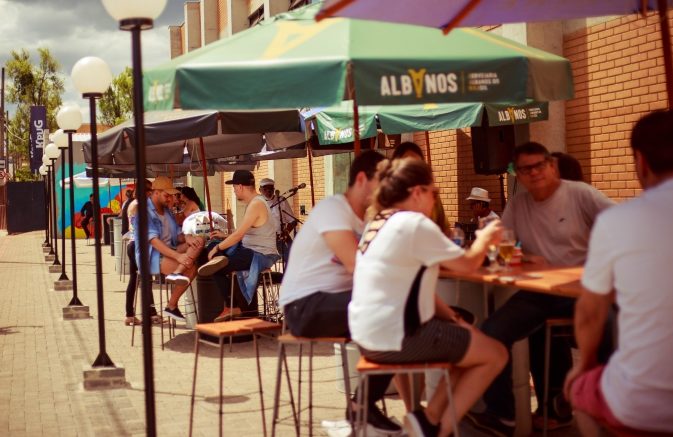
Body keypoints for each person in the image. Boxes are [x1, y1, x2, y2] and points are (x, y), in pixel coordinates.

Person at [349, 157, 507, 437]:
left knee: (468, 340)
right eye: (434, 192)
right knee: (495, 354)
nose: (435, 199)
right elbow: (469, 263)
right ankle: (435, 428)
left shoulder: (377, 222)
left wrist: (455, 318)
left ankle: (428, 419)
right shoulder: (413, 224)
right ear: (417, 192)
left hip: (366, 336)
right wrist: (485, 239)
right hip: (401, 337)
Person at [467, 142, 615, 437]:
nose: (534, 173)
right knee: (491, 331)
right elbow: (502, 248)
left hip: (585, 291)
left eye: (539, 165)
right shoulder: (518, 204)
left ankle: (611, 410)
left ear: (551, 166)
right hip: (541, 293)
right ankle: (503, 415)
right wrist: (524, 255)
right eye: (525, 168)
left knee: (614, 330)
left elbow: (622, 225)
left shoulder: (579, 194)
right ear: (518, 175)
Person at [563, 111, 673, 436]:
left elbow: (590, 312)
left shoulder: (616, 222)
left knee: (579, 390)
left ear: (640, 162)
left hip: (640, 404)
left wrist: (584, 364)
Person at [279, 151, 403, 434]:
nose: (389, 190)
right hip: (303, 306)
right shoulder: (333, 209)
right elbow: (358, 267)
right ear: (362, 179)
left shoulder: (366, 221)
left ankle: (363, 406)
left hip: (336, 303)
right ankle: (363, 407)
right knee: (395, 314)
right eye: (383, 181)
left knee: (399, 319)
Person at [198, 170, 279, 322]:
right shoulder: (257, 202)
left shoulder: (256, 204)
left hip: (260, 254)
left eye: (234, 188)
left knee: (216, 264)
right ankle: (220, 259)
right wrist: (222, 238)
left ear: (240, 186)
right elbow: (245, 232)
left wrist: (218, 248)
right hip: (250, 248)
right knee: (213, 246)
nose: (234, 191)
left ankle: (232, 306)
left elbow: (239, 235)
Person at [134, 176, 205, 322]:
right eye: (167, 195)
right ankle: (171, 305)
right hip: (153, 256)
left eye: (171, 195)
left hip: (172, 250)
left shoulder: (167, 212)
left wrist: (188, 238)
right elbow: (154, 241)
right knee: (191, 268)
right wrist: (178, 256)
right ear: (156, 193)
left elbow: (178, 235)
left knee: (199, 240)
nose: (170, 199)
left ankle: (177, 272)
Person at [391, 142, 449, 235]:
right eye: (408, 165)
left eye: (418, 165)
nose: (414, 171)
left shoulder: (432, 198)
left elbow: (444, 230)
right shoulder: (388, 201)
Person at [123, 181, 160, 326]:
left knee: (134, 280)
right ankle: (151, 314)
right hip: (139, 246)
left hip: (132, 244)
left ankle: (129, 314)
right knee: (146, 280)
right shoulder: (139, 206)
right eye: (150, 190)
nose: (151, 192)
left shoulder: (133, 204)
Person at [259, 177, 298, 265]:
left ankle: (288, 277)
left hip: (280, 237)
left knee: (292, 258)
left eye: (271, 189)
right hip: (263, 239)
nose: (268, 191)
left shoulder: (281, 200)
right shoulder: (256, 203)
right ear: (260, 190)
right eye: (265, 189)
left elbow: (293, 221)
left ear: (274, 189)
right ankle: (266, 277)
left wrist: (286, 232)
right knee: (258, 260)